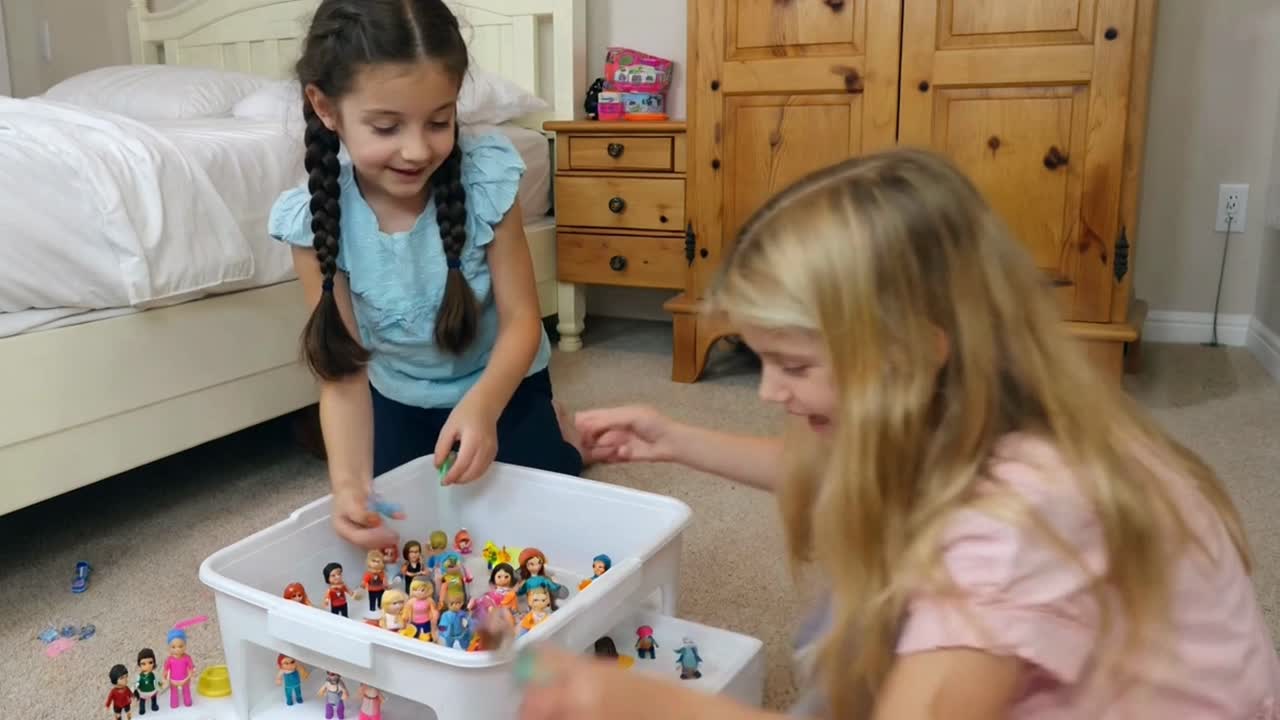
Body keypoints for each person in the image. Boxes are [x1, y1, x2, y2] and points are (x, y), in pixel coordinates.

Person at [516, 148, 1280, 719]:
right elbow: (842, 473)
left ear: (916, 349)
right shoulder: (982, 404)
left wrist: (636, 703)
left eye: (793, 364)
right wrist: (675, 438)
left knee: (850, 643)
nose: (771, 391)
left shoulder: (1019, 519)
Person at [269, 0, 584, 551]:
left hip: (500, 386)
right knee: (413, 527)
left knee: (539, 518)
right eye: (387, 126)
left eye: (439, 121)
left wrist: (484, 407)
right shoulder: (314, 221)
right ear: (325, 107)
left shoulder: (486, 176)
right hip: (400, 399)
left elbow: (522, 322)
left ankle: (561, 431)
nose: (418, 150)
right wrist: (347, 486)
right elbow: (342, 378)